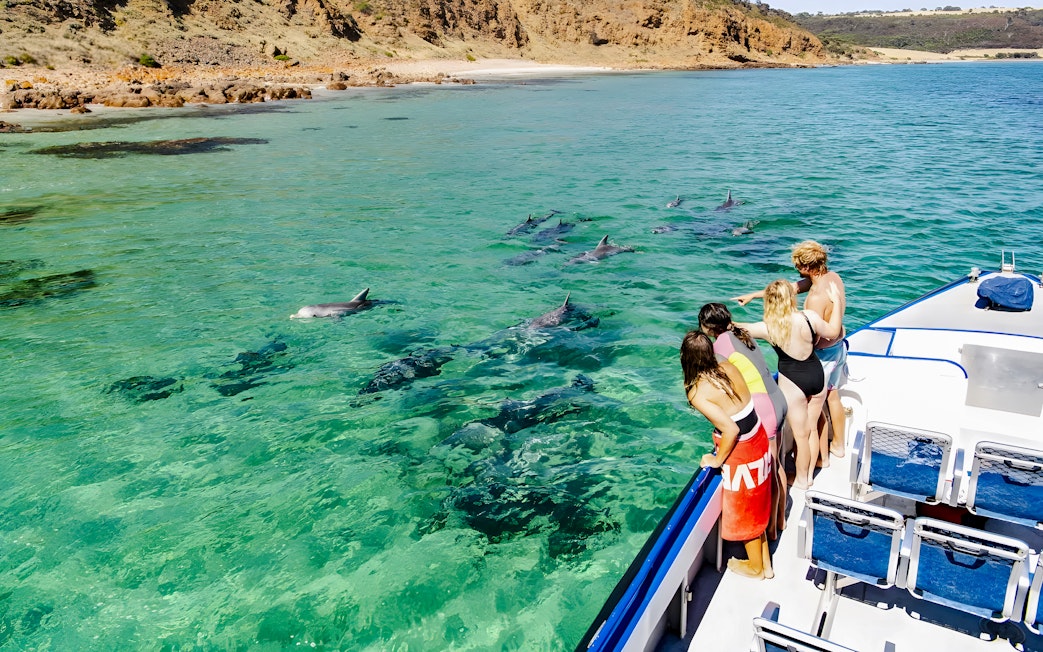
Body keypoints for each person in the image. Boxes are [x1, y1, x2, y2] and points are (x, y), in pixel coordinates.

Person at [734, 241, 848, 467]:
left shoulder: (815, 298)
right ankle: (837, 444)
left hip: (823, 355)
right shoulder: (831, 277)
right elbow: (791, 288)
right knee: (832, 396)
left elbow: (810, 336)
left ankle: (814, 462)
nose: (795, 269)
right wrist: (755, 295)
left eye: (797, 265)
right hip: (838, 346)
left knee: (811, 418)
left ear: (805, 267)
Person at [681, 330, 772, 579]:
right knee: (759, 500)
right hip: (758, 435)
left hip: (742, 449)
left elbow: (730, 429)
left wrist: (716, 459)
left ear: (685, 359)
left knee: (746, 509)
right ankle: (765, 563)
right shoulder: (727, 365)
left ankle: (756, 568)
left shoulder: (697, 392)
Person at [699, 303, 788, 538]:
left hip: (764, 409)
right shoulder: (742, 333)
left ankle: (770, 529)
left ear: (707, 327)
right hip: (777, 398)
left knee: (768, 472)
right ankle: (779, 521)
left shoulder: (719, 347)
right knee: (776, 465)